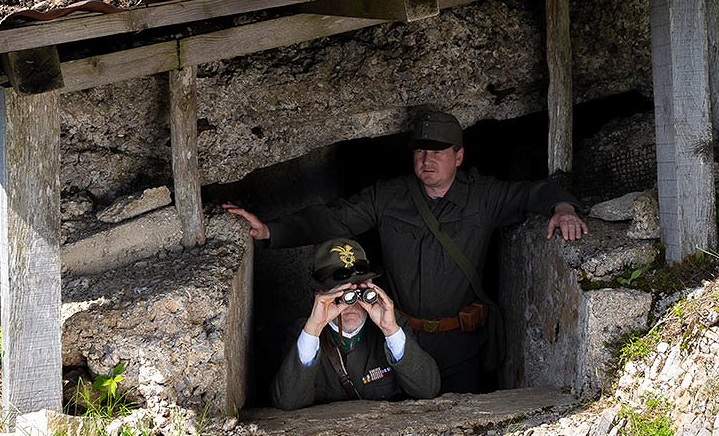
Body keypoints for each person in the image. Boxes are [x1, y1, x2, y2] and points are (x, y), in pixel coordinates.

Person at [227, 110, 589, 394]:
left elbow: (532, 194)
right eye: (420, 150)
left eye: (438, 152)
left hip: (460, 342)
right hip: (398, 335)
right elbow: (334, 219)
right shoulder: (389, 197)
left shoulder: (483, 196)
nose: (427, 160)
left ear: (459, 156)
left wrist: (562, 208)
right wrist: (271, 230)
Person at [271, 238, 441, 410]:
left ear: (371, 288)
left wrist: (391, 331)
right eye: (340, 293)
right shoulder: (304, 333)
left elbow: (428, 389)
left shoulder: (392, 326)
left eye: (359, 293)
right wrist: (313, 329)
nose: (350, 303)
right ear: (321, 295)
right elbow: (287, 400)